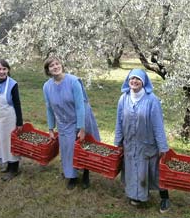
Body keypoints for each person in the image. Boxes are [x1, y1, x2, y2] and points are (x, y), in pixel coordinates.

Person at [114, 68, 171, 213]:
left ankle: (165, 198)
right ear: (128, 81)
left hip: (147, 144)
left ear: (143, 82)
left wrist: (163, 147)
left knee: (154, 172)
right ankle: (137, 196)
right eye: (132, 78)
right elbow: (119, 122)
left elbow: (158, 125)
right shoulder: (124, 98)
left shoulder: (152, 100)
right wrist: (118, 141)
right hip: (130, 143)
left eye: (138, 79)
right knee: (133, 169)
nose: (134, 81)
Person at [43, 56, 100, 190]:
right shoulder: (46, 87)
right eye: (52, 66)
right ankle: (72, 176)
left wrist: (81, 128)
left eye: (57, 64)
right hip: (64, 121)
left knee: (84, 147)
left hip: (81, 117)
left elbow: (80, 106)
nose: (55, 67)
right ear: (48, 70)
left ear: (62, 65)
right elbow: (49, 108)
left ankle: (86, 173)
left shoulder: (74, 81)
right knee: (68, 149)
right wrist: (51, 128)